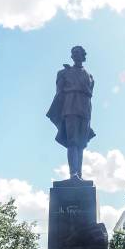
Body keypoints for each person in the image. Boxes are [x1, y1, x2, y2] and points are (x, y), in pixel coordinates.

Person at [46, 46, 95, 179]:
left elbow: (90, 95)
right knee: (72, 141)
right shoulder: (63, 73)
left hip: (85, 110)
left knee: (81, 143)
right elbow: (59, 94)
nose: (75, 55)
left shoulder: (90, 76)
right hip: (70, 107)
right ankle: (73, 173)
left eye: (77, 53)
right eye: (73, 53)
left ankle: (79, 173)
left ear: (83, 56)